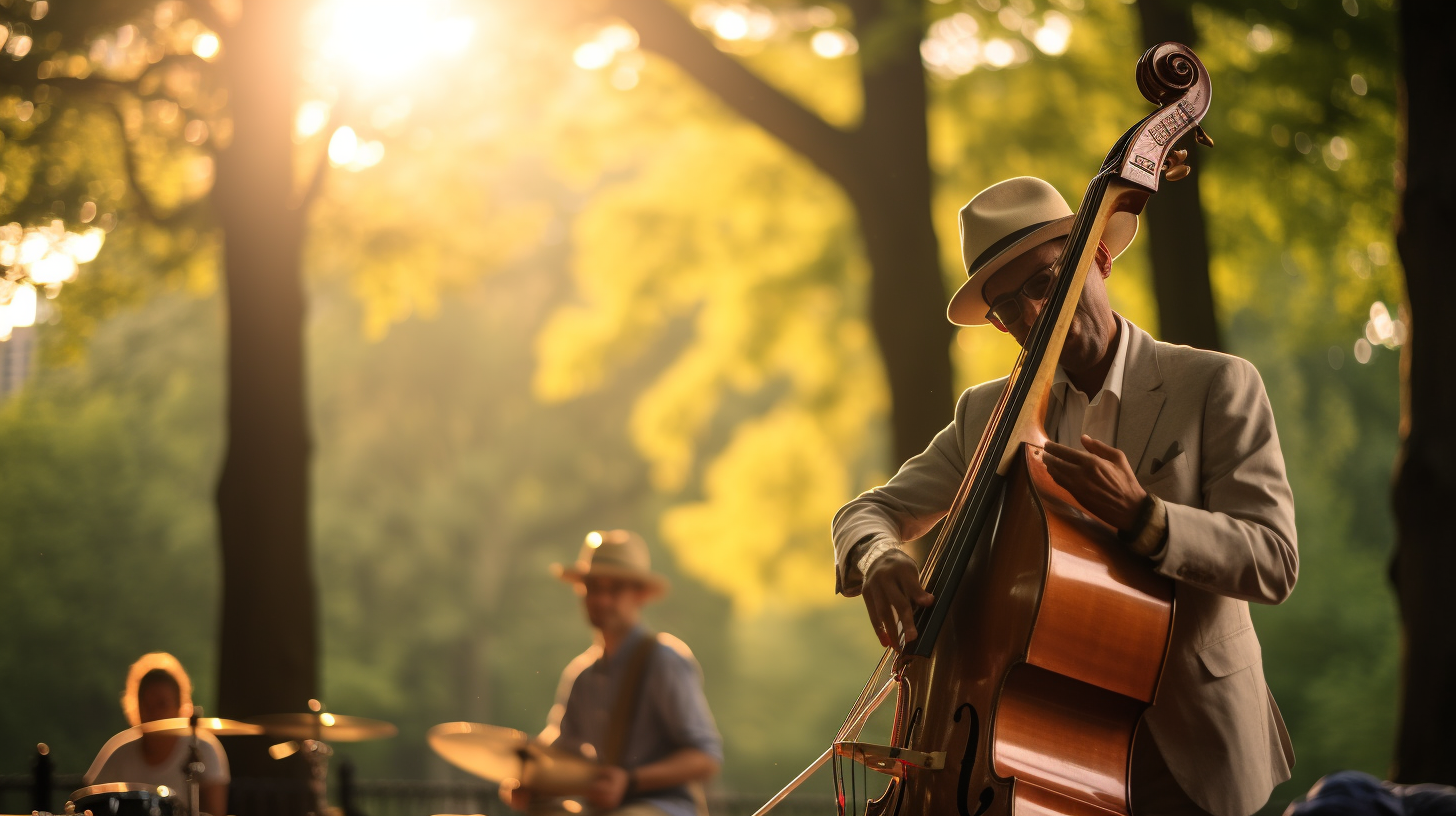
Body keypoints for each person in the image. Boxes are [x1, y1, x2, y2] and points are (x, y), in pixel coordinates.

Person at [831, 177, 1298, 816]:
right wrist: (877, 556)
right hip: (1043, 750)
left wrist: (1147, 517)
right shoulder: (988, 414)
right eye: (1005, 306)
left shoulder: (1215, 385)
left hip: (1193, 742)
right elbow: (867, 512)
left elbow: (1273, 560)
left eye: (1045, 283)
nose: (1030, 316)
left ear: (1098, 261)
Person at [505, 530, 722, 816]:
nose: (602, 599)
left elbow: (706, 758)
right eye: (593, 587)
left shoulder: (664, 660)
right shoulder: (581, 676)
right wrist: (532, 780)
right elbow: (561, 753)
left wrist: (631, 781)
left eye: (615, 589)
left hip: (665, 808)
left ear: (639, 595)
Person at [84, 653, 230, 816]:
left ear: (180, 706)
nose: (153, 712)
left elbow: (216, 812)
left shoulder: (205, 748)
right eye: (146, 704)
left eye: (162, 704)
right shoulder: (119, 753)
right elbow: (88, 804)